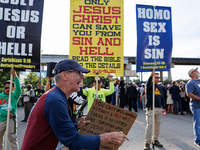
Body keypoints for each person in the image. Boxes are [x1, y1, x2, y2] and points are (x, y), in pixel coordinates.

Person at [21, 59, 128, 150]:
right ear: (64, 76)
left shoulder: (55, 96)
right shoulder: (55, 100)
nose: (83, 77)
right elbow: (73, 140)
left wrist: (77, 125)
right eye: (79, 73)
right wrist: (108, 137)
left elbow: (58, 126)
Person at [144, 70, 166, 150]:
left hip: (159, 108)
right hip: (151, 108)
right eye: (156, 77)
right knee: (150, 125)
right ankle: (147, 143)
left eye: (158, 77)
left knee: (157, 125)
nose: (158, 79)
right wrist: (150, 76)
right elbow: (148, 85)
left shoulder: (160, 87)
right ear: (153, 78)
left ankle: (155, 140)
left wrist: (164, 108)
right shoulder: (149, 86)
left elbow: (162, 97)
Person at [0, 68, 21, 150]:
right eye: (6, 88)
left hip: (11, 120)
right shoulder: (0, 96)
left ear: (13, 89)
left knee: (12, 139)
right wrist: (6, 114)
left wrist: (15, 76)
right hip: (1, 119)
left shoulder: (14, 96)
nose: (7, 89)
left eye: (9, 88)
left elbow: (18, 89)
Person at [186, 68, 200, 148]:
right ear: (192, 74)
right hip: (196, 106)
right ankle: (198, 140)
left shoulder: (199, 81)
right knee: (198, 124)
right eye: (196, 71)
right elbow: (189, 94)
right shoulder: (190, 83)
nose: (198, 72)